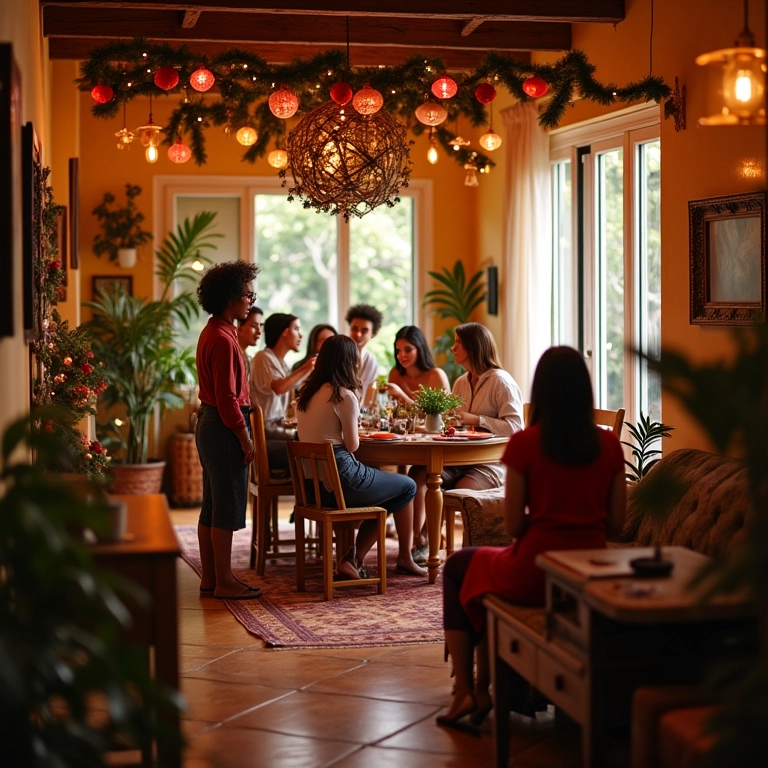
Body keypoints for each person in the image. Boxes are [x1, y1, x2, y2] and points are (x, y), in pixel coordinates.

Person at [437, 346, 626, 730]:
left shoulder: (526, 444)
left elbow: (513, 526)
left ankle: (469, 691)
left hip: (536, 568)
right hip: (588, 572)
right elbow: (617, 526)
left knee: (460, 567)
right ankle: (484, 688)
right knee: (484, 575)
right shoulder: (609, 446)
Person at [296, 334, 427, 578]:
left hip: (313, 488)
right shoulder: (343, 395)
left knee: (389, 491)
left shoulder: (305, 395)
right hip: (342, 482)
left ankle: (353, 559)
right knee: (407, 485)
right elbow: (353, 446)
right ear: (348, 362)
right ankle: (360, 558)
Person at [408, 322, 524, 564]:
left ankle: (460, 553)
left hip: (490, 463)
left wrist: (478, 419)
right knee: (419, 474)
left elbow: (515, 427)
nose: (453, 348)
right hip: (457, 459)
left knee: (461, 486)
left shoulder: (501, 382)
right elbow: (453, 420)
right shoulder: (461, 382)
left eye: (458, 343)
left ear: (474, 346)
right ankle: (423, 541)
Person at [195, 260, 262, 600]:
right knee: (225, 507)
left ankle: (211, 579)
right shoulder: (222, 339)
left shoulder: (215, 331)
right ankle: (224, 580)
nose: (252, 300)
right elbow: (227, 399)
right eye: (248, 294)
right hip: (223, 427)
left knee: (212, 505)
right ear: (231, 297)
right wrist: (244, 436)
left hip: (210, 423)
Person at [250, 313, 315, 472]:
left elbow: (295, 388)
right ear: (285, 332)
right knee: (315, 448)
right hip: (265, 438)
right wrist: (307, 367)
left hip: (275, 432)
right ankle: (315, 495)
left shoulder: (281, 363)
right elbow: (279, 387)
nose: (301, 335)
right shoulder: (263, 357)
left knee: (315, 440)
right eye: (296, 329)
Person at [386, 325, 450, 405]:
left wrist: (401, 395)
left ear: (420, 349)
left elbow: (443, 414)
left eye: (408, 350)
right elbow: (391, 410)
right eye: (398, 350)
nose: (401, 355)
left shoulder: (436, 375)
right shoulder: (395, 374)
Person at [345, 303, 383, 400]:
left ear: (373, 333)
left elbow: (368, 397)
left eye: (364, 330)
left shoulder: (372, 361)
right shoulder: (339, 355)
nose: (358, 334)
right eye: (354, 329)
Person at [236, 305, 264, 381]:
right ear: (239, 327)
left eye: (261, 326)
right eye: (254, 326)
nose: (259, 331)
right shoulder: (232, 355)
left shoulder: (247, 358)